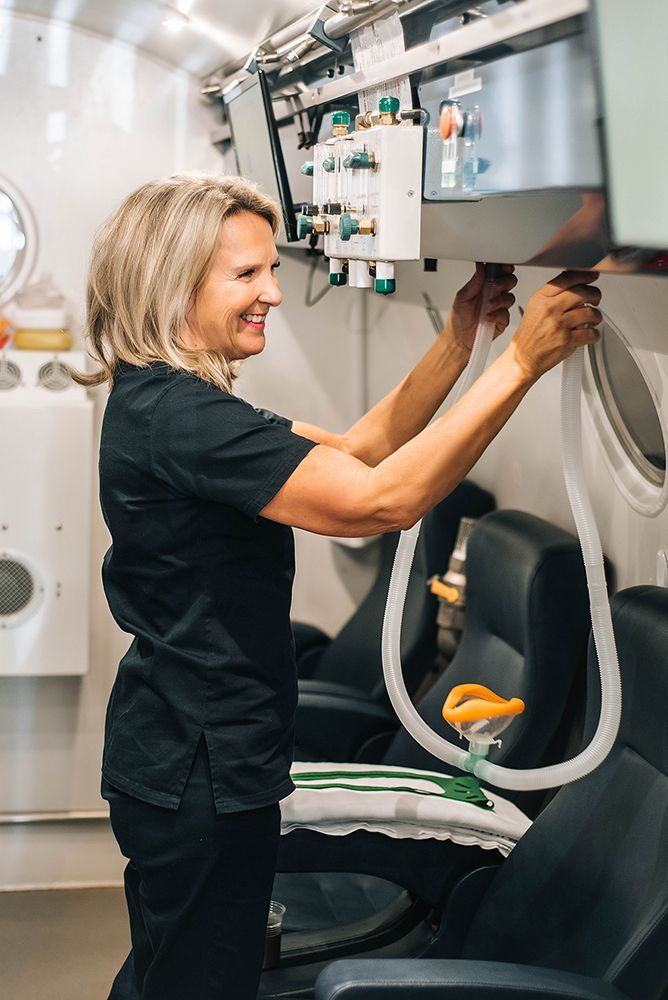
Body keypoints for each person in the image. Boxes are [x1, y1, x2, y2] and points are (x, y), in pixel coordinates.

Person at [74, 173, 601, 1000]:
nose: (273, 294)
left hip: (186, 750)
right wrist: (525, 360)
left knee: (176, 974)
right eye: (245, 275)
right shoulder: (186, 419)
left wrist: (462, 340)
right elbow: (379, 503)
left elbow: (359, 451)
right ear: (171, 282)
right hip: (198, 766)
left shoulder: (172, 402)